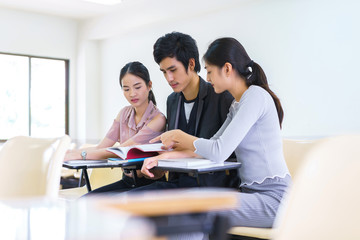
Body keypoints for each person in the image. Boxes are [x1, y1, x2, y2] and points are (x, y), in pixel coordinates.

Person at [143, 38, 291, 228]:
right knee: (187, 201)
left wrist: (181, 137)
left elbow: (219, 151)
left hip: (275, 199)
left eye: (210, 71)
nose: (208, 78)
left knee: (196, 206)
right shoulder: (237, 105)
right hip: (250, 195)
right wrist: (164, 159)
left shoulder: (255, 96)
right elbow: (209, 146)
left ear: (227, 69)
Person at [130, 32, 234, 191]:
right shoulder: (172, 100)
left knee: (128, 201)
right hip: (176, 183)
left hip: (210, 187)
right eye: (164, 72)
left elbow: (227, 153)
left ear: (191, 64)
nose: (169, 78)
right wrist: (158, 166)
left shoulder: (221, 96)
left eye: (173, 69)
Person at [64, 61, 166, 193]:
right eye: (126, 89)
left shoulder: (158, 119)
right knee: (88, 201)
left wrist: (80, 154)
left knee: (105, 206)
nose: (132, 94)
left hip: (151, 184)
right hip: (128, 181)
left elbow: (121, 151)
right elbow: (101, 147)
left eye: (137, 87)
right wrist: (71, 153)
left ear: (149, 85)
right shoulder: (123, 114)